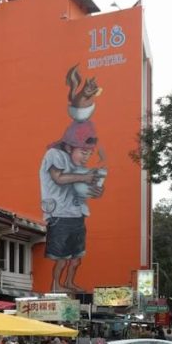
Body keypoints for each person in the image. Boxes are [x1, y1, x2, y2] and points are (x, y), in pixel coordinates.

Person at [39, 120, 106, 292]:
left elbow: (79, 189)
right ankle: (56, 285)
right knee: (61, 257)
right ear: (69, 147)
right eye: (83, 152)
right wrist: (84, 178)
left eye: (89, 153)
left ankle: (69, 282)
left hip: (78, 215)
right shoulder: (54, 154)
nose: (86, 157)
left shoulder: (77, 166)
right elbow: (58, 178)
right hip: (59, 215)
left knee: (76, 257)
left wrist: (95, 190)